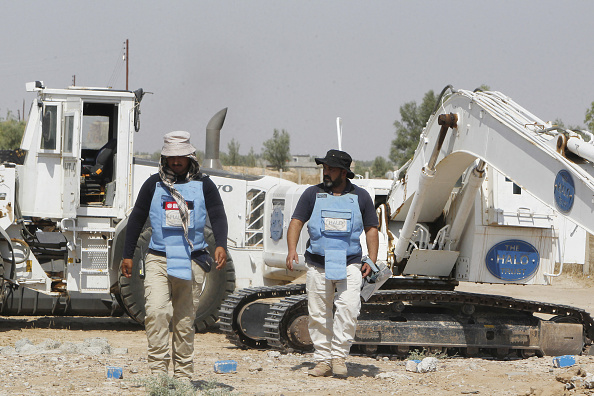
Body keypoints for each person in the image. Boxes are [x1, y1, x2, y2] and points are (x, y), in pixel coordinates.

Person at [122, 131, 228, 381]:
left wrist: (221, 244)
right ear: (164, 158)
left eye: (181, 157)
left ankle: (183, 376)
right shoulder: (153, 184)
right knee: (157, 312)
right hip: (158, 258)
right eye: (171, 158)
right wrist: (127, 254)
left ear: (190, 156)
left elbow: (218, 214)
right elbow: (137, 217)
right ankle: (159, 373)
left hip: (192, 260)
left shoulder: (205, 185)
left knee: (184, 319)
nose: (176, 162)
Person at [285, 149, 379, 378]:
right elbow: (296, 222)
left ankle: (339, 357)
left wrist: (372, 260)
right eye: (324, 168)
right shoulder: (311, 194)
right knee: (318, 313)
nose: (326, 173)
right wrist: (291, 250)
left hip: (350, 263)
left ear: (344, 172)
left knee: (348, 309)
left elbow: (371, 229)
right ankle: (323, 361)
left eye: (331, 169)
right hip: (318, 264)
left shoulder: (362, 197)